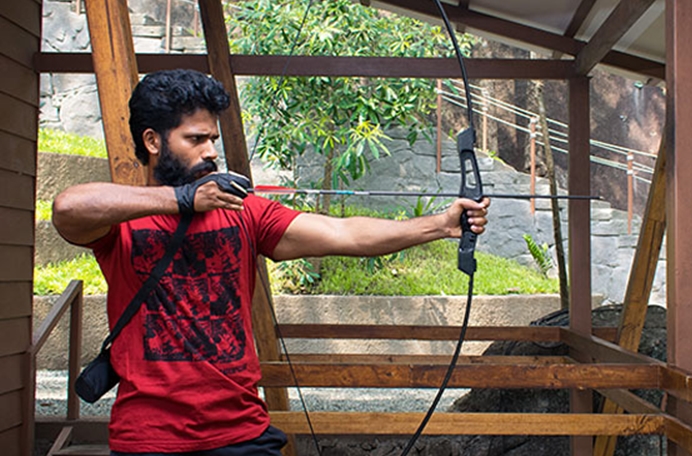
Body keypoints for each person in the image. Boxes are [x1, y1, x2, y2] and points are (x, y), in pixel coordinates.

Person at [52, 69, 490, 455]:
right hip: (149, 437)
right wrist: (183, 198)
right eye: (195, 139)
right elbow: (68, 207)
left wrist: (440, 225)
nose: (210, 152)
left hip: (240, 432)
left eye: (213, 140)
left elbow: (344, 233)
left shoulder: (246, 213)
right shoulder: (122, 221)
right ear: (152, 141)